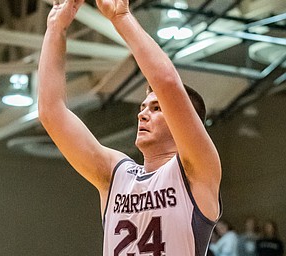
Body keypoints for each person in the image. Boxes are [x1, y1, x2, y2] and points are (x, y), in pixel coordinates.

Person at [37, 0, 222, 255]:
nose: (143, 114)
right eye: (143, 107)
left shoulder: (196, 170)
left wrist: (121, 17)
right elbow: (51, 112)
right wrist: (56, 29)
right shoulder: (116, 175)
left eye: (156, 108)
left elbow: (167, 82)